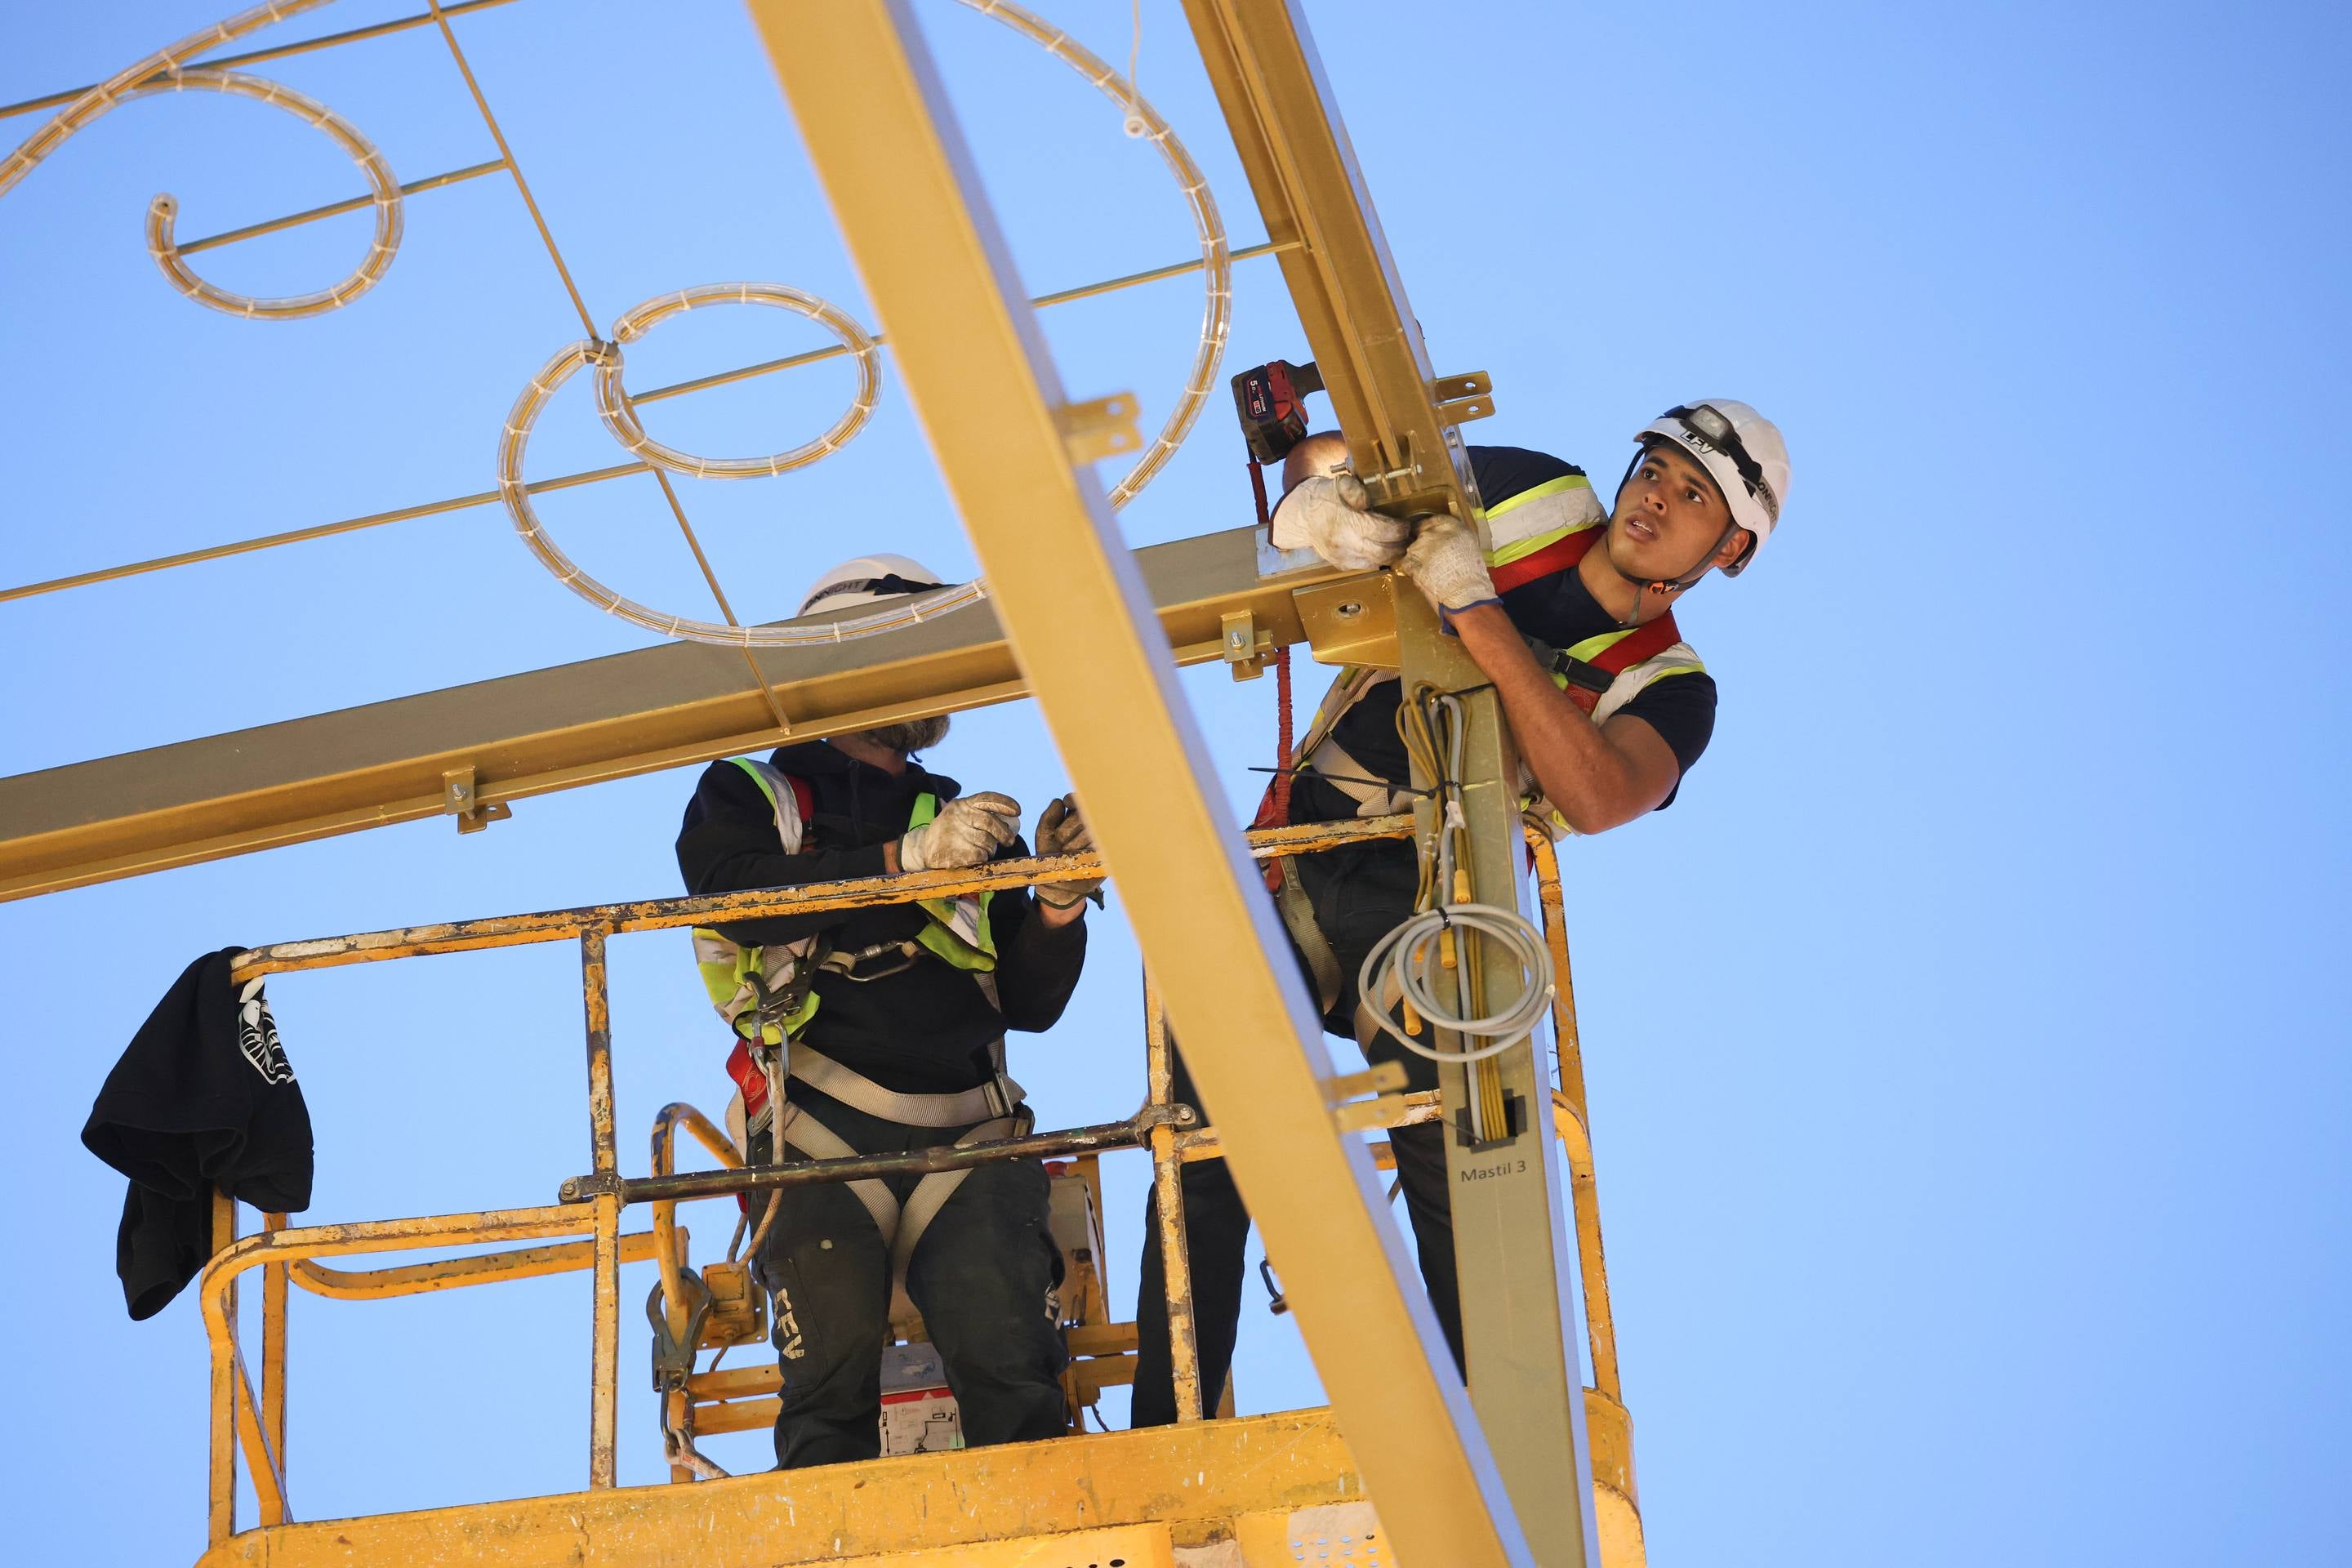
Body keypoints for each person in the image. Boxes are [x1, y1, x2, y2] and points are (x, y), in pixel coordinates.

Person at [1131, 402, 1790, 1423]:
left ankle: (1482, 1448)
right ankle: (1170, 1430)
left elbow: (1599, 795)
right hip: (1305, 851)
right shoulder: (1537, 495)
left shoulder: (1670, 687)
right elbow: (1343, 457)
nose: (1658, 495)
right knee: (1206, 1140)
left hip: (1429, 905)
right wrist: (1318, 501)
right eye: (1656, 469)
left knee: (1455, 1148)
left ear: (1730, 549)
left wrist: (1476, 613)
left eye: (1695, 494)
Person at [676, 554, 1103, 1468]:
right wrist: (906, 863)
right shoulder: (752, 795)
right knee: (826, 1389)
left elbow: (1028, 1003)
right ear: (850, 660)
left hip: (968, 1136)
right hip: (820, 1138)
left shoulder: (959, 817)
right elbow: (728, 893)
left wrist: (1059, 901)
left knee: (1013, 1374)